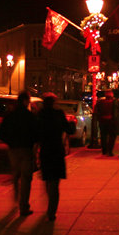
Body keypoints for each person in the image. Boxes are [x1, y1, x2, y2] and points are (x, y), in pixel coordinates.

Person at [0, 90, 39, 216]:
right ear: (25, 101)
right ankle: (23, 205)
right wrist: (32, 143)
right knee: (26, 178)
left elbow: (1, 133)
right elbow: (36, 133)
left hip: (13, 149)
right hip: (26, 149)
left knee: (16, 174)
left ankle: (16, 196)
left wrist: (10, 142)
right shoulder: (29, 116)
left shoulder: (10, 115)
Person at [37, 92, 75, 221]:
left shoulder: (40, 115)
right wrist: (70, 124)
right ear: (54, 103)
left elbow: (35, 134)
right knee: (54, 183)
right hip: (56, 150)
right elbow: (70, 130)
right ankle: (51, 210)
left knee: (48, 180)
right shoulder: (58, 114)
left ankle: (50, 207)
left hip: (45, 150)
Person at [93, 90, 117, 156]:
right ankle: (110, 150)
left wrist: (98, 118)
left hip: (103, 121)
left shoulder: (100, 102)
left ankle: (104, 150)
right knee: (112, 136)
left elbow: (96, 111)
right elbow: (116, 113)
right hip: (111, 121)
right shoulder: (114, 102)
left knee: (103, 136)